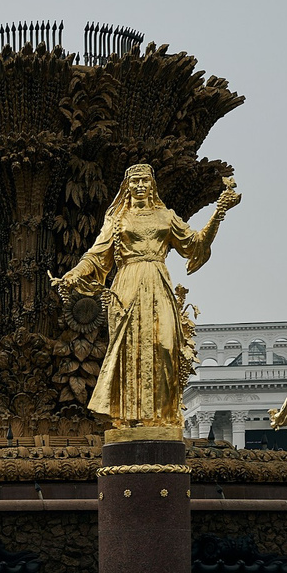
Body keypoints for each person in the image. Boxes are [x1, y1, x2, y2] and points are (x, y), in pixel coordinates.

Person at [58, 164, 239, 431]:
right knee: (129, 351)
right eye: (135, 181)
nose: (140, 185)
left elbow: (195, 245)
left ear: (152, 185)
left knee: (164, 346)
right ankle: (129, 419)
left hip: (158, 282)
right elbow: (97, 255)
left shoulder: (166, 216)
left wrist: (219, 213)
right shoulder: (118, 219)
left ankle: (162, 417)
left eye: (145, 180)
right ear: (127, 187)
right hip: (127, 286)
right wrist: (74, 273)